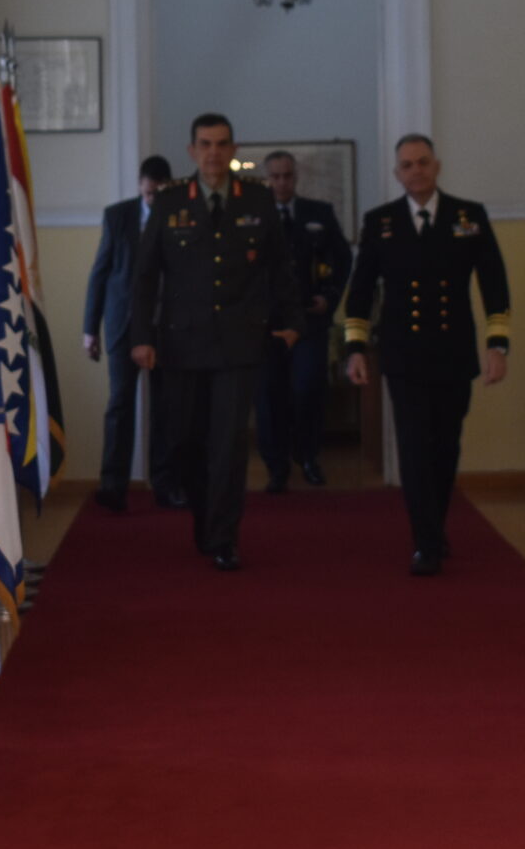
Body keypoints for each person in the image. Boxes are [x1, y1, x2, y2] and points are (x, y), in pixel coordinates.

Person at [129, 114, 302, 571]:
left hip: (238, 343)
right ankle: (205, 520)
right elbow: (145, 275)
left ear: (233, 149)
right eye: (205, 144)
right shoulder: (170, 201)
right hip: (182, 344)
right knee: (185, 443)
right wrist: (141, 336)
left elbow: (279, 266)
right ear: (192, 151)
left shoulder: (258, 199)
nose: (213, 153)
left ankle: (224, 536)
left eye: (222, 144)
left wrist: (292, 321)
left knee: (228, 444)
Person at [343, 133, 510, 576]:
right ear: (397, 174)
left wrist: (498, 345)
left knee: (445, 446)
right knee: (414, 447)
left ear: (437, 166)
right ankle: (426, 542)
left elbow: (494, 283)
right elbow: (360, 291)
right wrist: (355, 348)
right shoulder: (381, 222)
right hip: (404, 355)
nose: (415, 171)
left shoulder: (467, 216)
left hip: (453, 352)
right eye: (407, 165)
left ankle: (433, 526)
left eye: (422, 162)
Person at [83, 154, 179, 511]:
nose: (154, 199)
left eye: (160, 193)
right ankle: (113, 486)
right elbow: (100, 272)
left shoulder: (180, 216)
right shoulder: (118, 216)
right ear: (140, 186)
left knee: (166, 408)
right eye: (149, 192)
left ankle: (166, 485)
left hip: (165, 326)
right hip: (122, 324)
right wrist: (89, 329)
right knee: (120, 404)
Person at [257, 149, 353, 491]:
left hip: (309, 320)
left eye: (288, 175)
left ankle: (308, 456)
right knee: (269, 396)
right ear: (267, 179)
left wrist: (329, 297)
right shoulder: (253, 215)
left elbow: (342, 259)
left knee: (308, 388)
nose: (282, 182)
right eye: (275, 176)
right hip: (266, 324)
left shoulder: (319, 212)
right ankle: (276, 467)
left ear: (296, 176)